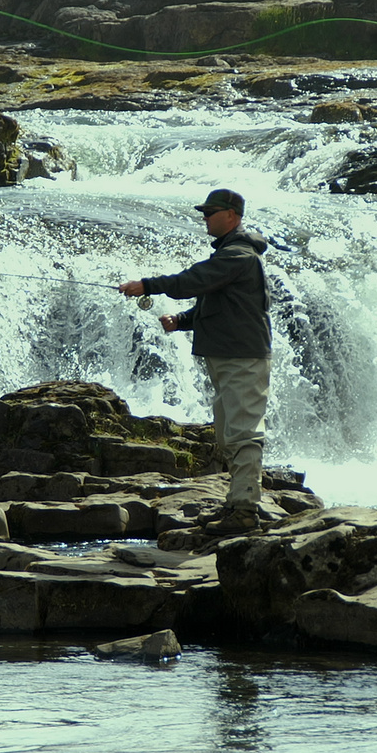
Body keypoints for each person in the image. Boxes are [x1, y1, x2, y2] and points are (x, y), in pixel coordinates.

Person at [119, 188, 272, 535]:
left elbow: (195, 280)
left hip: (242, 358)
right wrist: (183, 321)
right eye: (204, 212)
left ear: (231, 215)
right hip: (228, 356)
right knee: (228, 434)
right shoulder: (231, 255)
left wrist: (147, 285)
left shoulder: (238, 255)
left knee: (243, 434)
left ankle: (246, 512)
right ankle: (236, 505)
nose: (204, 217)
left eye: (210, 212)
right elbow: (217, 300)